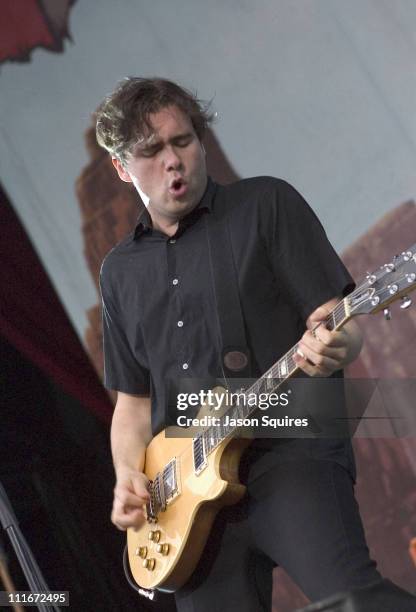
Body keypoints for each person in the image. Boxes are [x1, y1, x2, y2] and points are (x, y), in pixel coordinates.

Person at [95, 77, 382, 611]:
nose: (173, 161)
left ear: (200, 141)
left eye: (182, 141)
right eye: (151, 152)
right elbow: (132, 404)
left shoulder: (265, 203)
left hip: (289, 453)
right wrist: (129, 476)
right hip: (185, 505)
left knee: (356, 600)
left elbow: (337, 318)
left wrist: (339, 344)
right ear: (121, 167)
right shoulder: (119, 273)